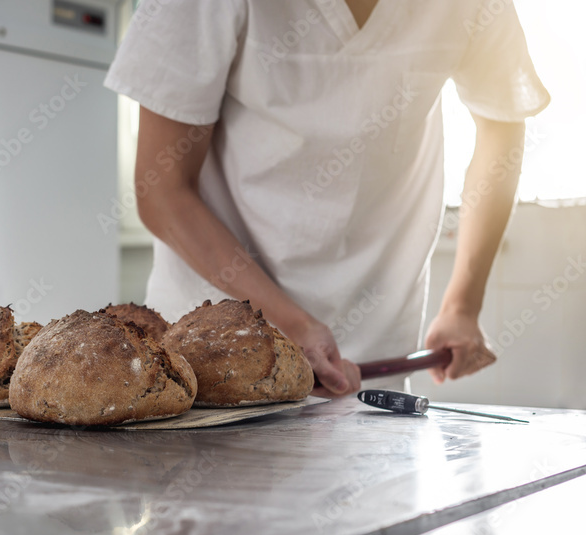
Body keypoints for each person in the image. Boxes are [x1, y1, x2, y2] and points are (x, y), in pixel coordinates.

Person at [104, 0, 549, 396]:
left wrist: (462, 305)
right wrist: (293, 326)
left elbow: (502, 122)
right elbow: (163, 191)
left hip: (374, 364)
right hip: (216, 362)